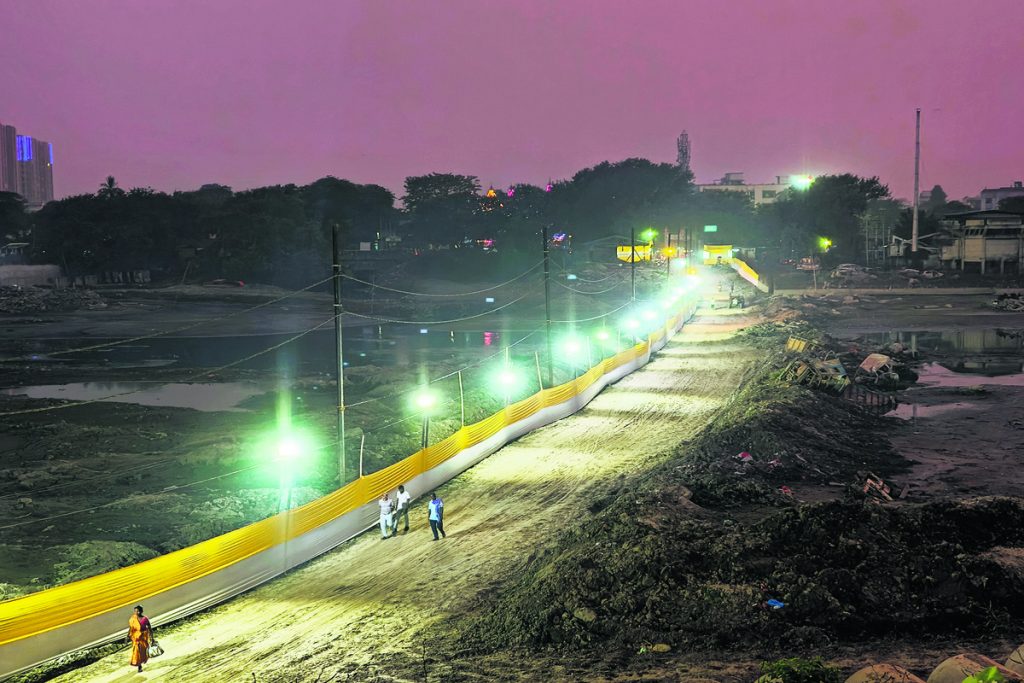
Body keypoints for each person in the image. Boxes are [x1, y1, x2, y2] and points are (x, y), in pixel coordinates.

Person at [128, 605, 152, 672]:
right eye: (135, 611)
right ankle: (139, 666)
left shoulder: (145, 619)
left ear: (141, 611)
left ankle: (142, 662)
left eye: (138, 611)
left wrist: (152, 637)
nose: (136, 612)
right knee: (137, 652)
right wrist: (127, 636)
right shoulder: (133, 619)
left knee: (143, 652)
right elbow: (131, 628)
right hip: (136, 638)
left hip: (143, 638)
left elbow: (149, 628)